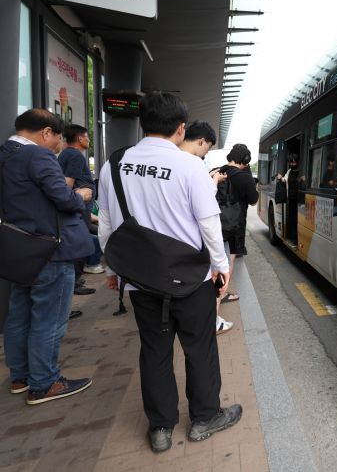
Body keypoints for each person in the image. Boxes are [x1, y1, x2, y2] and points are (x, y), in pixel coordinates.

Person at [98, 92, 241, 453]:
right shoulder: (191, 167)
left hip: (141, 281)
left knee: (154, 351)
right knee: (199, 348)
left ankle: (160, 429)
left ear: (143, 123)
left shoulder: (113, 165)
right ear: (181, 129)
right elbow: (209, 225)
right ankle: (205, 418)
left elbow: (108, 227)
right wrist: (221, 269)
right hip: (191, 279)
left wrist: (114, 268)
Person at [1, 109, 94, 404]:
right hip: (50, 249)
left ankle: (20, 377)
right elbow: (64, 200)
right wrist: (81, 196)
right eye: (56, 138)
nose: (58, 145)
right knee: (49, 319)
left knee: (19, 314)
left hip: (19, 249)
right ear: (46, 133)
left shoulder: (4, 154)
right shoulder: (37, 157)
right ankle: (44, 383)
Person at [179, 121, 235, 334]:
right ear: (201, 141)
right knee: (197, 338)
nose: (205, 153)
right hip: (188, 261)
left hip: (147, 266)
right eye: (208, 147)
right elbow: (208, 220)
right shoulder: (194, 167)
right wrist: (220, 264)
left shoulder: (121, 162)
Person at [57, 124, 101, 311]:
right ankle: (72, 286)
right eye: (86, 136)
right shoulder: (74, 155)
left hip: (79, 208)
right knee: (79, 247)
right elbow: (67, 184)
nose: (88, 140)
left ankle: (73, 284)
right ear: (80, 138)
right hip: (78, 207)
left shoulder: (66, 154)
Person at [215, 143, 259, 327]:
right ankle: (214, 319)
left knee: (217, 263)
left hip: (215, 225)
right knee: (225, 264)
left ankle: (221, 294)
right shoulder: (244, 177)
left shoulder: (216, 171)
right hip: (234, 227)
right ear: (246, 160)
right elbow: (254, 200)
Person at [277, 154, 299, 245]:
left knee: (297, 219)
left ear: (297, 162)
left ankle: (297, 237)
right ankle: (293, 237)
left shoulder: (301, 171)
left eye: (294, 162)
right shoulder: (289, 171)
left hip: (299, 200)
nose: (292, 164)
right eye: (291, 162)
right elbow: (285, 180)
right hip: (290, 199)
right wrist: (280, 177)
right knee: (292, 218)